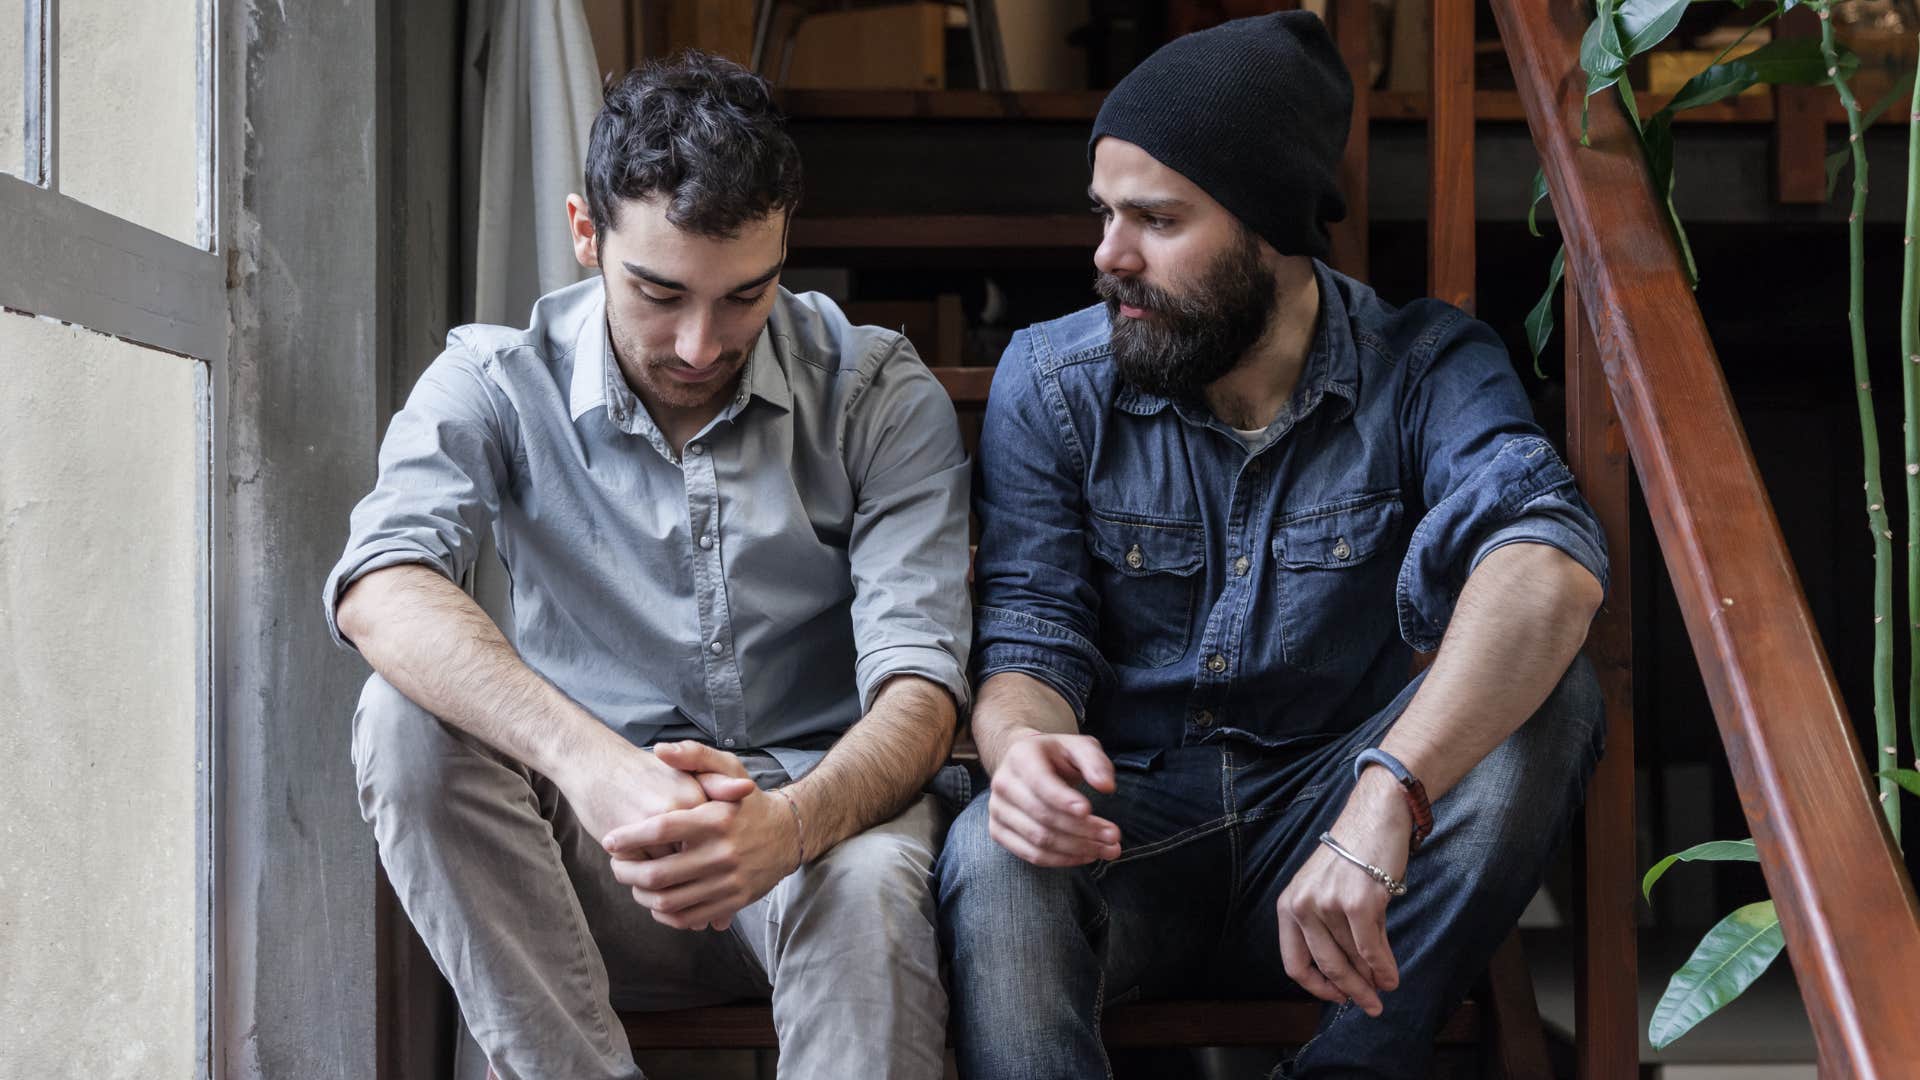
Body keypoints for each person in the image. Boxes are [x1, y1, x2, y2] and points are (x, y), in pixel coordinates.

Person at [935, 13, 1609, 1079]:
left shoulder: (1427, 368)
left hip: (1342, 837)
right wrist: (1022, 749)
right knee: (991, 848)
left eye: (1157, 219)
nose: (1108, 256)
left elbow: (1547, 565)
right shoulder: (1053, 382)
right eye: (1105, 213)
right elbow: (1031, 632)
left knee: (1550, 699)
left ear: (1273, 229)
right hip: (1131, 836)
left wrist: (1389, 797)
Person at [324, 51, 970, 1080]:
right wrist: (592, 766)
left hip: (820, 839)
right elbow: (380, 586)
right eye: (659, 292)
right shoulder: (492, 378)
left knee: (872, 892)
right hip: (591, 859)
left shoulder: (879, 392)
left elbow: (921, 690)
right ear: (587, 233)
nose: (701, 343)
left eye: (745, 295)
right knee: (401, 721)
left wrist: (787, 826)